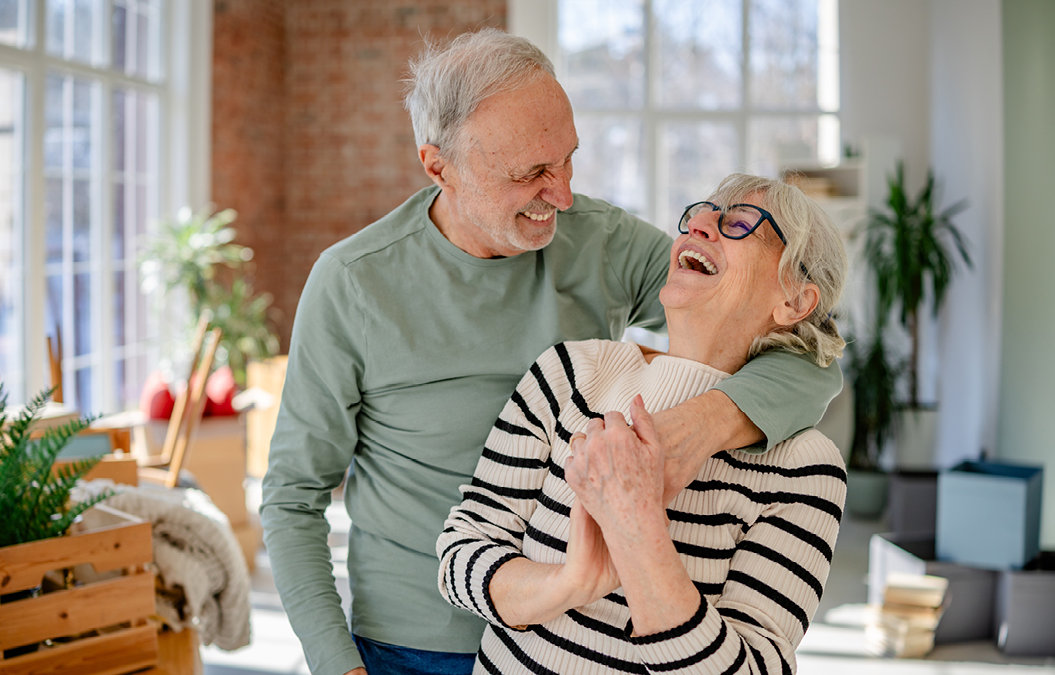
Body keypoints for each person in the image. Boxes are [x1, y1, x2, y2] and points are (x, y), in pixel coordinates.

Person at [260, 30, 842, 675]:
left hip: (575, 638)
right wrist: (334, 661)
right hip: (410, 639)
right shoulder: (354, 282)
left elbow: (801, 350)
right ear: (438, 167)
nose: (562, 195)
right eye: (529, 174)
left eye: (566, 160)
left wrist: (698, 426)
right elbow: (292, 494)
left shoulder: (601, 242)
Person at [438, 173, 849, 674]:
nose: (698, 224)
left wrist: (638, 533)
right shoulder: (573, 374)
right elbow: (462, 552)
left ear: (794, 300)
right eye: (698, 212)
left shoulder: (805, 469)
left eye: (740, 222)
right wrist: (569, 584)